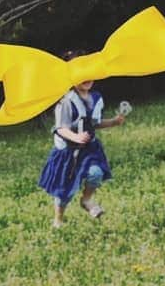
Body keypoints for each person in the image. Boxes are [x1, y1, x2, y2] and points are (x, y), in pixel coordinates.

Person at [39, 52, 127, 228]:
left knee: (96, 173)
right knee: (65, 190)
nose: (86, 77)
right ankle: (58, 219)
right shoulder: (66, 101)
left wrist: (113, 122)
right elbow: (60, 128)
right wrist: (76, 137)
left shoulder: (96, 98)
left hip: (89, 150)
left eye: (89, 70)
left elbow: (94, 123)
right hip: (68, 152)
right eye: (80, 72)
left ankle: (86, 200)